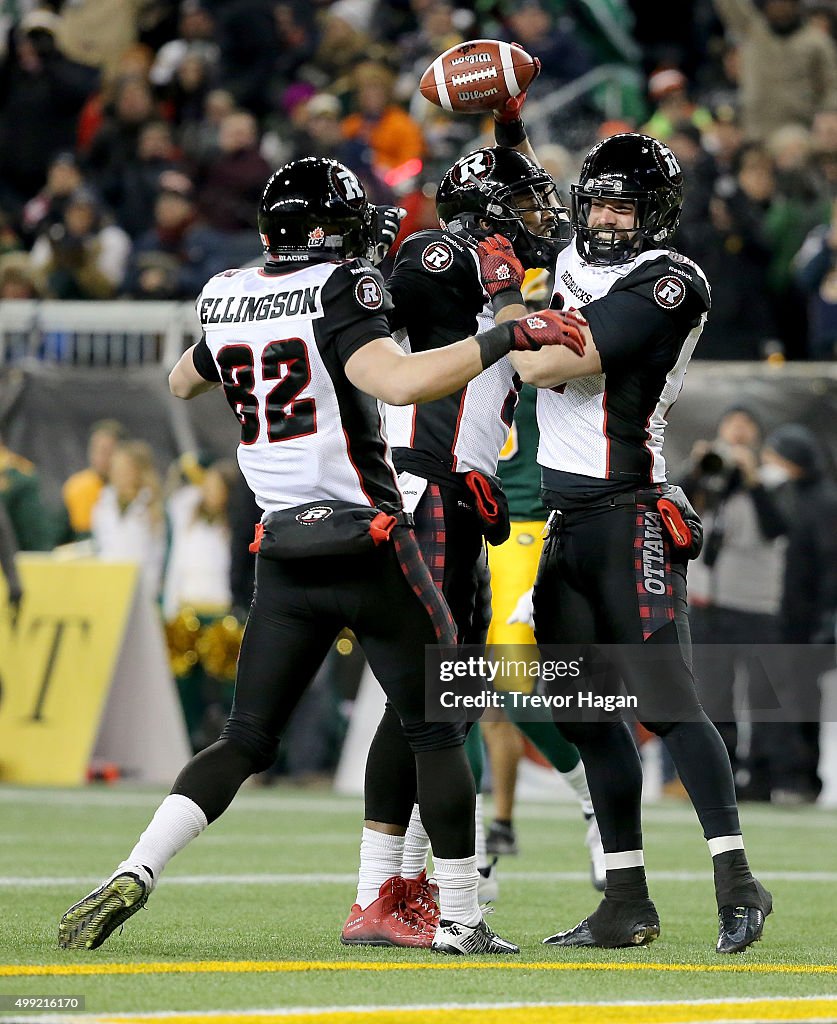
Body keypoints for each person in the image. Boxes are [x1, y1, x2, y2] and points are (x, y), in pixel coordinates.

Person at [57, 156, 585, 956]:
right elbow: (399, 384)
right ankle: (462, 917)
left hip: (281, 549)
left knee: (243, 738)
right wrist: (505, 333)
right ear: (320, 230)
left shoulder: (227, 291)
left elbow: (179, 380)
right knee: (439, 723)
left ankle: (139, 864)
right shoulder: (347, 288)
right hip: (369, 538)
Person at [489, 102, 772, 953]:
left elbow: (547, 362)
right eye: (597, 203)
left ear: (654, 217)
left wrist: (509, 299)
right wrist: (504, 116)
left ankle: (736, 878)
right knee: (584, 711)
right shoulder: (576, 251)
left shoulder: (668, 279)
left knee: (667, 702)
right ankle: (624, 899)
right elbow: (528, 190)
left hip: (630, 516)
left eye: (623, 207)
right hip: (567, 522)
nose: (605, 219)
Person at [343, 146, 602, 945]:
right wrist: (375, 264)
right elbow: (369, 318)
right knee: (444, 701)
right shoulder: (440, 251)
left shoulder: (501, 271)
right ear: (487, 210)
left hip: (454, 491)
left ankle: (385, 893)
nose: (542, 214)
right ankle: (443, 905)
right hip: (426, 485)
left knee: (420, 702)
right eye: (524, 201)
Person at [681, 406, 786, 794]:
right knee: (713, 695)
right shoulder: (710, 479)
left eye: (745, 428)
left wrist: (753, 476)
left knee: (762, 696)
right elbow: (670, 504)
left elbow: (777, 526)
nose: (737, 435)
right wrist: (696, 469)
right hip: (708, 604)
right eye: (731, 427)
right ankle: (721, 779)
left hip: (756, 605)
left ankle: (761, 780)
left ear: (756, 437)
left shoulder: (772, 481)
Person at [62, 419, 128, 540]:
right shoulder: (77, 488)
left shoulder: (131, 491)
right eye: (95, 449)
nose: (99, 457)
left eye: (106, 451)